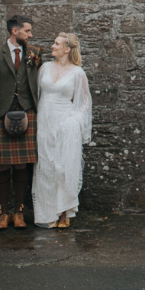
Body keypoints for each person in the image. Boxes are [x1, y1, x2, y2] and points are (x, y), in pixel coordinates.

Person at [0, 15, 41, 230]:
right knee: (2, 164)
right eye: (27, 31)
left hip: (27, 113)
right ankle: (3, 213)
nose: (30, 34)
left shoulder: (34, 53)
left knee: (22, 164)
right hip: (0, 114)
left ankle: (19, 212)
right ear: (15, 31)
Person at [32, 32, 93, 228]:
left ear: (67, 49)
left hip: (66, 124)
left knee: (64, 168)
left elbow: (85, 103)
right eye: (53, 42)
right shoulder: (45, 68)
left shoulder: (77, 73)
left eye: (56, 44)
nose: (52, 46)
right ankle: (48, 213)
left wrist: (74, 122)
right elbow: (36, 95)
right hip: (45, 122)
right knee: (46, 167)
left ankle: (64, 212)